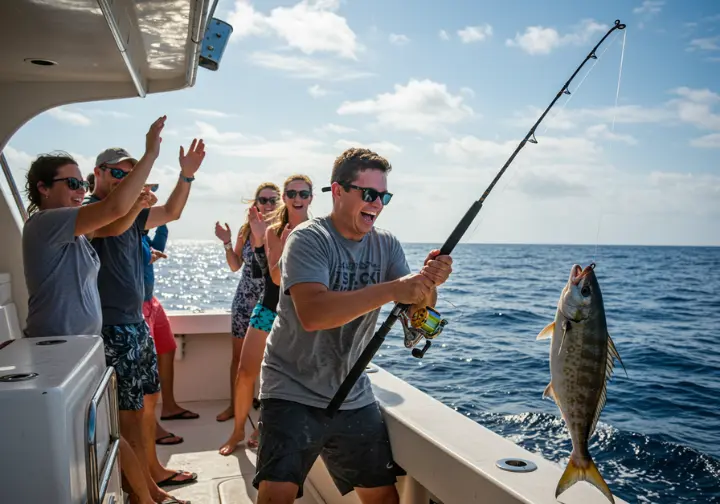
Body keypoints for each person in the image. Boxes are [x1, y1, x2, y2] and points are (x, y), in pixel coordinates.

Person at [253, 148, 453, 504]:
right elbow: (313, 314)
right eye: (369, 194)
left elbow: (415, 312)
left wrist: (428, 284)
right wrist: (395, 288)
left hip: (352, 389)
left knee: (382, 497)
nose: (377, 203)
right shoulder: (309, 239)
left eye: (384, 196)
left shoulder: (387, 244)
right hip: (291, 387)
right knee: (275, 495)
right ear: (339, 190)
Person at [21, 117, 190, 503]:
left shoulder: (76, 232)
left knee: (112, 433)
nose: (80, 191)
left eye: (81, 184)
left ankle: (150, 495)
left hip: (83, 350)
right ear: (43, 188)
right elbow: (113, 208)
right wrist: (150, 153)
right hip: (57, 353)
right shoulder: (46, 224)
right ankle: (147, 498)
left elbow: (115, 222)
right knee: (111, 431)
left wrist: (139, 202)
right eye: (72, 183)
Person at [84, 135, 206, 493]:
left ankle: (150, 475)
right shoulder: (91, 211)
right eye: (117, 173)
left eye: (130, 174)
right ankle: (141, 492)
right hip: (111, 327)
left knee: (145, 406)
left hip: (135, 322)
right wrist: (136, 199)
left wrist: (186, 177)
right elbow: (112, 222)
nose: (124, 179)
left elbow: (171, 213)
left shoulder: (131, 213)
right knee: (127, 418)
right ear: (98, 174)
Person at [219, 174, 313, 456]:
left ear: (311, 198)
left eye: (303, 194)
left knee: (280, 376)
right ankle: (237, 430)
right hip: (268, 307)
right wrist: (260, 241)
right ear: (286, 197)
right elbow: (266, 275)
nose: (297, 199)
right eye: (292, 193)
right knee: (245, 371)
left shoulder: (318, 231)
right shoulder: (272, 230)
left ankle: (262, 426)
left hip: (298, 313)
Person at [213, 182, 280, 422]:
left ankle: (265, 413)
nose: (269, 204)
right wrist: (227, 242)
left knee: (269, 361)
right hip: (244, 302)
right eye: (264, 200)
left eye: (274, 199)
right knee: (238, 359)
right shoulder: (245, 231)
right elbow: (234, 265)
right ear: (256, 203)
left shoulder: (283, 230)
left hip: (271, 304)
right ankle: (235, 405)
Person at [140, 216, 200, 447]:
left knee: (167, 349)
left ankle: (170, 406)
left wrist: (162, 222)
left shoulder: (141, 235)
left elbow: (158, 247)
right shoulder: (126, 233)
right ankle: (151, 426)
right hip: (137, 306)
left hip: (151, 301)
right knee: (146, 365)